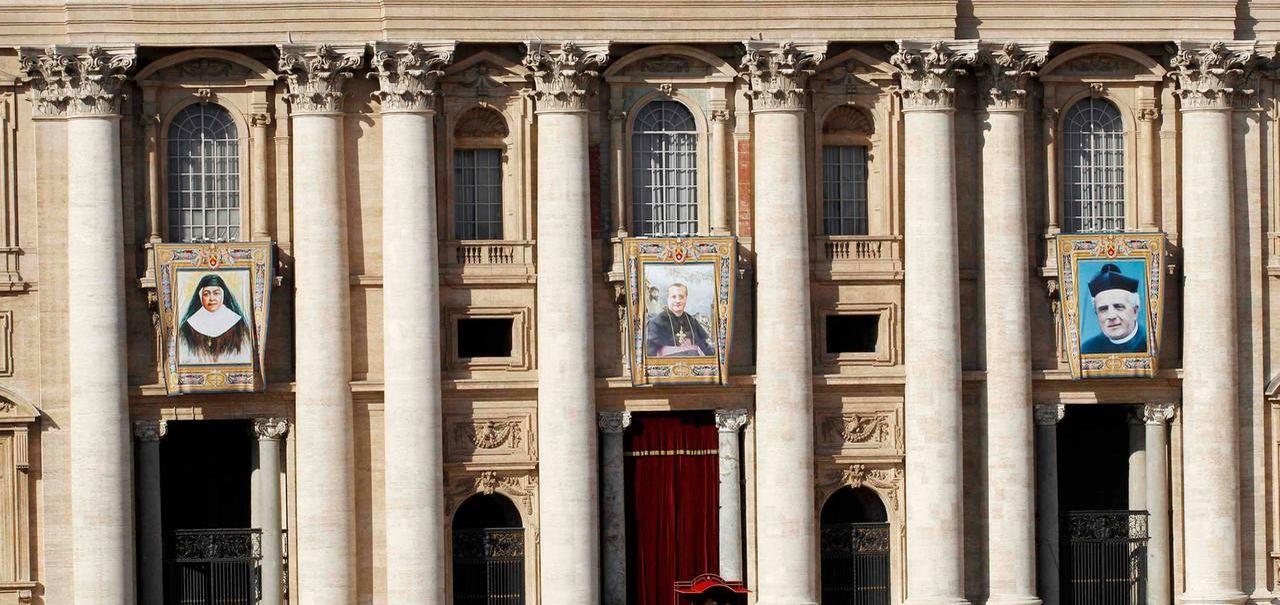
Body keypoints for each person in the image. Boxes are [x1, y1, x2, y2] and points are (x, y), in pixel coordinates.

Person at [179, 273, 253, 364]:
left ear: (223, 295)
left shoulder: (238, 325)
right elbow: (183, 356)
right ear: (200, 297)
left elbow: (245, 356)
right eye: (206, 294)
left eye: (216, 293)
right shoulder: (188, 327)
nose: (212, 298)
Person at [1080, 263, 1147, 354]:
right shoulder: (1087, 349)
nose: (1111, 316)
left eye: (1118, 307)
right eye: (1103, 309)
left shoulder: (1150, 343)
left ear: (1135, 311)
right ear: (1096, 314)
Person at [645, 282, 714, 357]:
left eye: (681, 297)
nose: (678, 301)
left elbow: (706, 348)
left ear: (686, 298)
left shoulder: (693, 322)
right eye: (673, 297)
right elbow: (650, 355)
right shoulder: (655, 323)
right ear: (668, 298)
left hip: (693, 363)